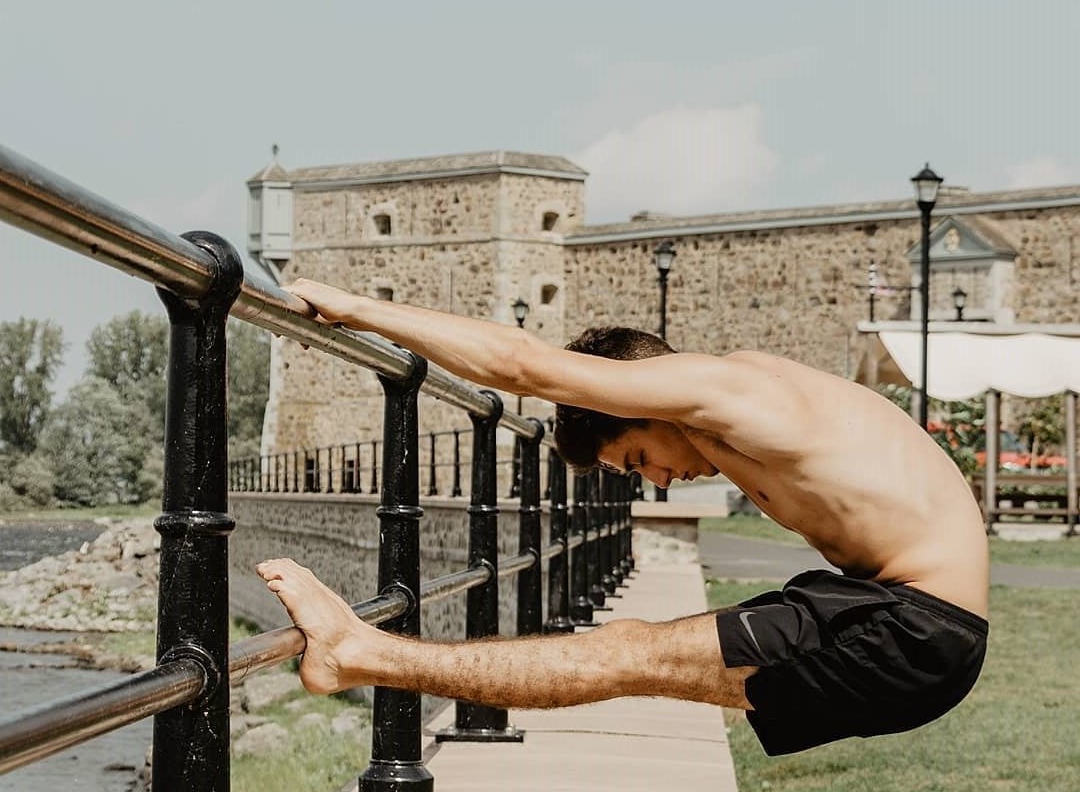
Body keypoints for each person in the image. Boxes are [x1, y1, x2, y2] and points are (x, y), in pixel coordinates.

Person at [257, 279, 989, 755]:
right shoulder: (744, 396)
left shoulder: (728, 393)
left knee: (627, 655)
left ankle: (360, 655)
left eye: (639, 459)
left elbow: (520, 363)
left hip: (913, 631)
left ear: (639, 402)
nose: (660, 483)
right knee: (631, 653)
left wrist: (356, 309)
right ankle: (361, 655)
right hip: (899, 615)